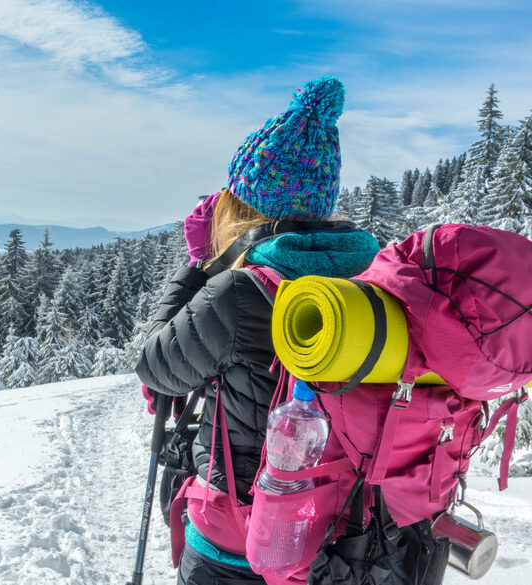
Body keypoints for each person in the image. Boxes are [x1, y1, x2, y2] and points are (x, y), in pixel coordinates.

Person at [136, 77, 381, 585]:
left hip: (242, 541)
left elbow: (157, 369)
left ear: (244, 210)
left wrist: (201, 263)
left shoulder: (239, 295)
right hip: (344, 538)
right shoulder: (371, 283)